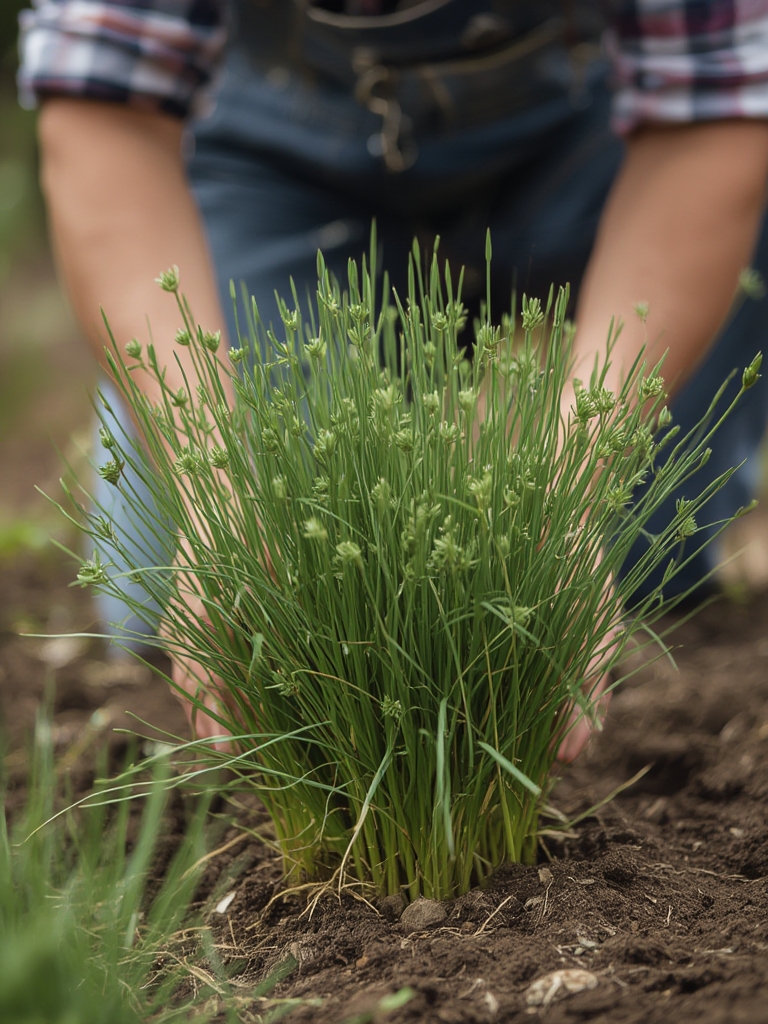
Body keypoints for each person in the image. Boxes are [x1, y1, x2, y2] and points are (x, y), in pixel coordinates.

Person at [17, 0, 768, 759]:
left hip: (600, 146)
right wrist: (214, 477)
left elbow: (711, 100)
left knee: (631, 569)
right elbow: (102, 106)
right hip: (277, 164)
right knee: (232, 603)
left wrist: (568, 494)